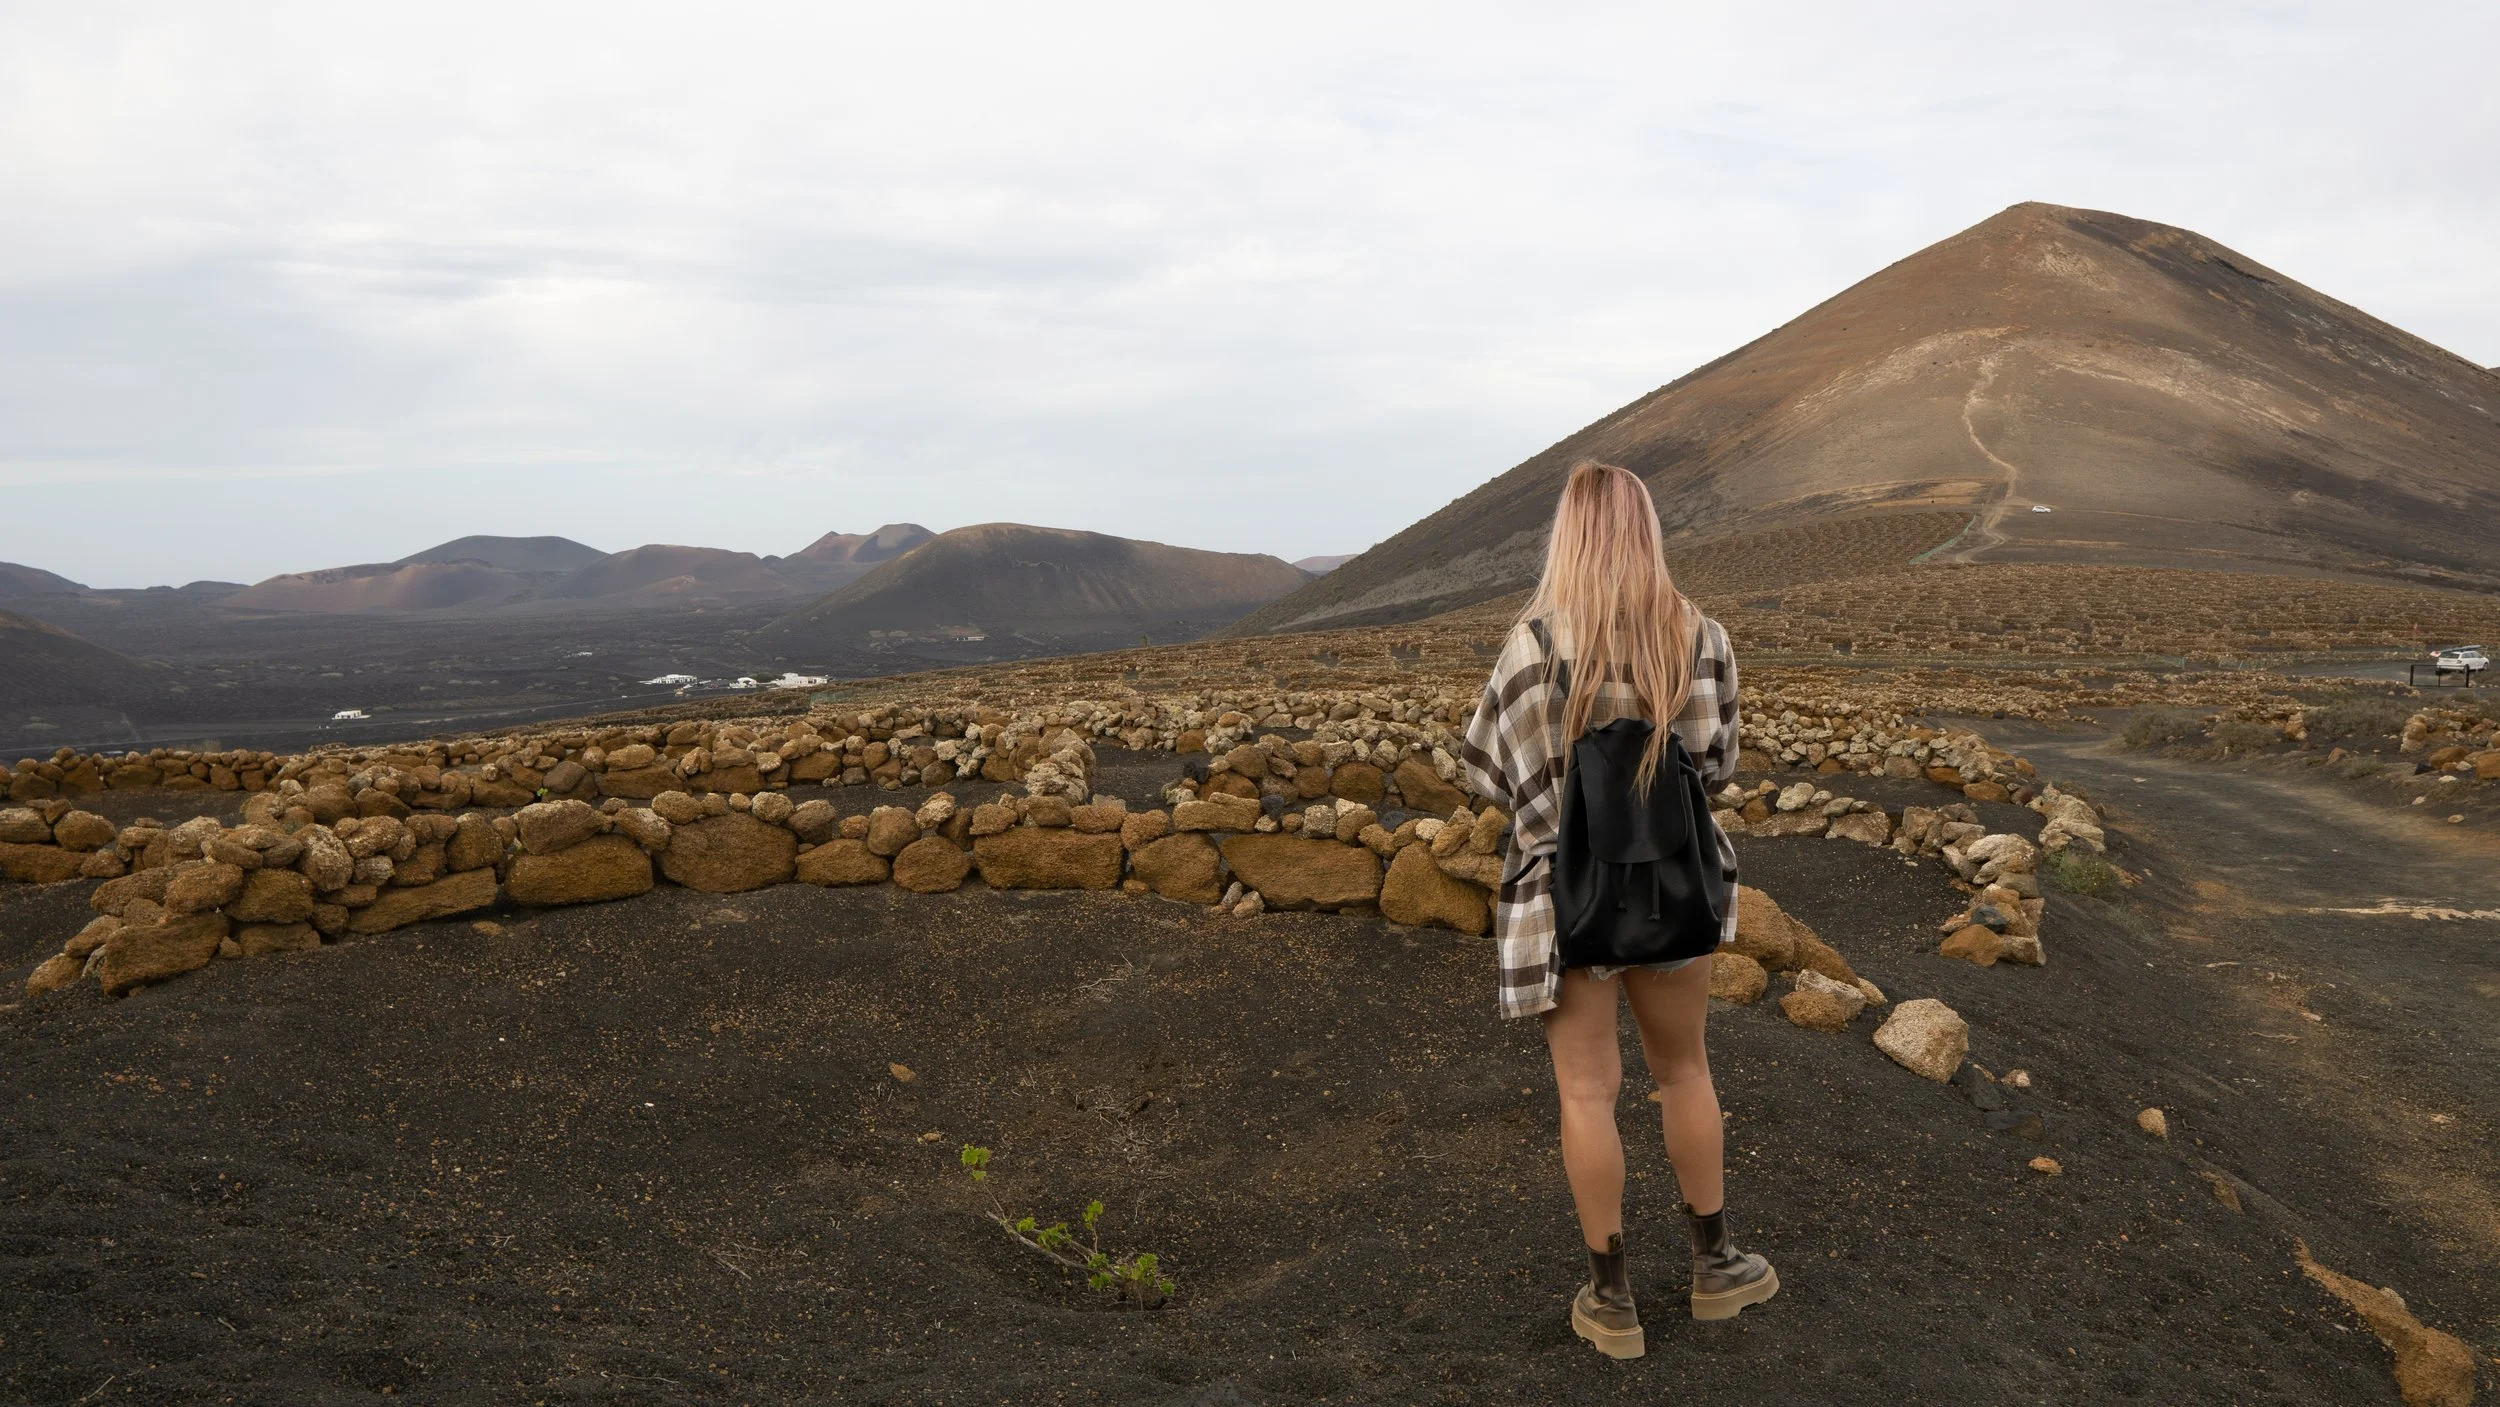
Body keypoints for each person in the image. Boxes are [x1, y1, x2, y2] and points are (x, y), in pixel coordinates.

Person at [1459, 460, 1776, 1360]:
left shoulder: (1532, 646)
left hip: (1568, 902)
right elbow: (1718, 766)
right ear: (1646, 532)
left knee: (1587, 1091)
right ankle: (1717, 1266)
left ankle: (1612, 1300)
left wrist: (1560, 810)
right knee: (1684, 1071)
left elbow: (1486, 768)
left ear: (1568, 535)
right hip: (1676, 890)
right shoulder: (1699, 635)